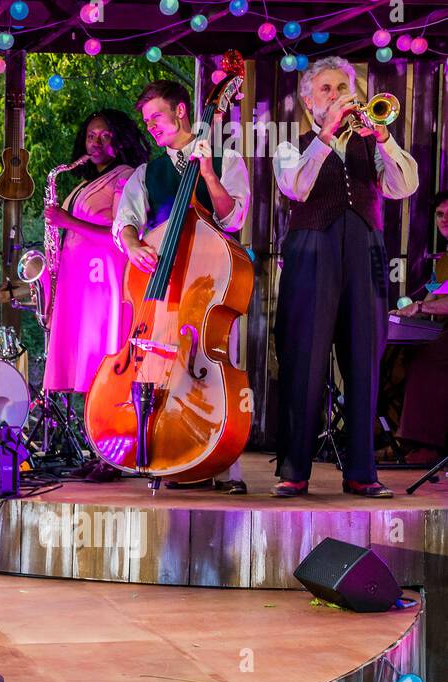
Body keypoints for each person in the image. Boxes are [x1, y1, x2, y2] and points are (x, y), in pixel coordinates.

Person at [271, 55, 419, 498]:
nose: (336, 96)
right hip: (311, 250)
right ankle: (295, 469)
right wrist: (326, 136)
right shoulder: (290, 145)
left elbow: (404, 185)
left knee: (363, 357)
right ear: (308, 102)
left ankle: (361, 471)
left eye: (342, 88)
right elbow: (295, 187)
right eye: (326, 90)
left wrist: (385, 138)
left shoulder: (372, 143)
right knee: (303, 357)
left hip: (364, 249)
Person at [111, 79, 252, 493]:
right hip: (163, 288)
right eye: (147, 120)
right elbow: (126, 220)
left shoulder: (228, 159)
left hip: (210, 290)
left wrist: (208, 174)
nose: (151, 126)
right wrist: (135, 244)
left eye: (156, 116)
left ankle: (224, 465)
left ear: (182, 110)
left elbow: (233, 218)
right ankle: (167, 454)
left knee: (212, 372)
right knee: (159, 370)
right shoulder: (146, 172)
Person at [43, 110, 149, 480]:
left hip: (105, 285)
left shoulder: (126, 178)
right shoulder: (86, 182)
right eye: (91, 136)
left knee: (106, 366)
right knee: (90, 369)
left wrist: (67, 221)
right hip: (81, 287)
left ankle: (116, 453)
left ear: (122, 140)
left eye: (106, 136)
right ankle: (100, 448)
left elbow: (121, 236)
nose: (97, 143)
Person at [392, 190, 448, 464]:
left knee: (429, 358)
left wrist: (421, 308)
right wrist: (403, 314)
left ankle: (427, 445)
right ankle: (394, 439)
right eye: (440, 215)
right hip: (440, 330)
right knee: (394, 353)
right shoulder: (445, 259)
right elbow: (434, 296)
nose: (444, 220)